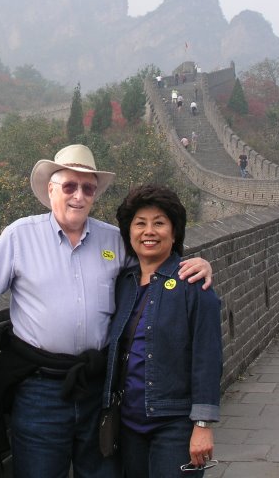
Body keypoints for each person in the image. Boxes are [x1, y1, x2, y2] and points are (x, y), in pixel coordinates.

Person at [0, 145, 212, 478]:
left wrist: (194, 264)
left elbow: (153, 264)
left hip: (99, 388)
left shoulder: (113, 241)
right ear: (50, 189)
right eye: (70, 186)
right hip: (41, 390)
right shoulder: (20, 236)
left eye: (87, 188)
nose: (78, 196)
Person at [104, 185, 222, 477]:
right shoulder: (123, 283)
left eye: (159, 223)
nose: (149, 232)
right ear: (128, 232)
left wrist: (203, 426)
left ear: (174, 232)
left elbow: (208, 358)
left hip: (175, 425)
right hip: (129, 424)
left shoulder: (193, 284)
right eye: (140, 224)